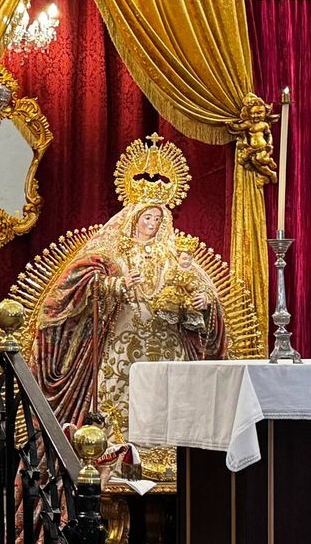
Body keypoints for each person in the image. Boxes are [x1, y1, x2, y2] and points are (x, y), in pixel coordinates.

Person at [29, 134, 229, 446]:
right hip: (122, 338)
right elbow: (81, 287)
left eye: (157, 219)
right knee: (117, 393)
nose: (151, 223)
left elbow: (198, 290)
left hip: (168, 341)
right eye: (146, 217)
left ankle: (171, 458)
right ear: (134, 217)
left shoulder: (176, 257)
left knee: (170, 398)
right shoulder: (113, 253)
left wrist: (203, 302)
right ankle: (119, 458)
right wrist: (118, 285)